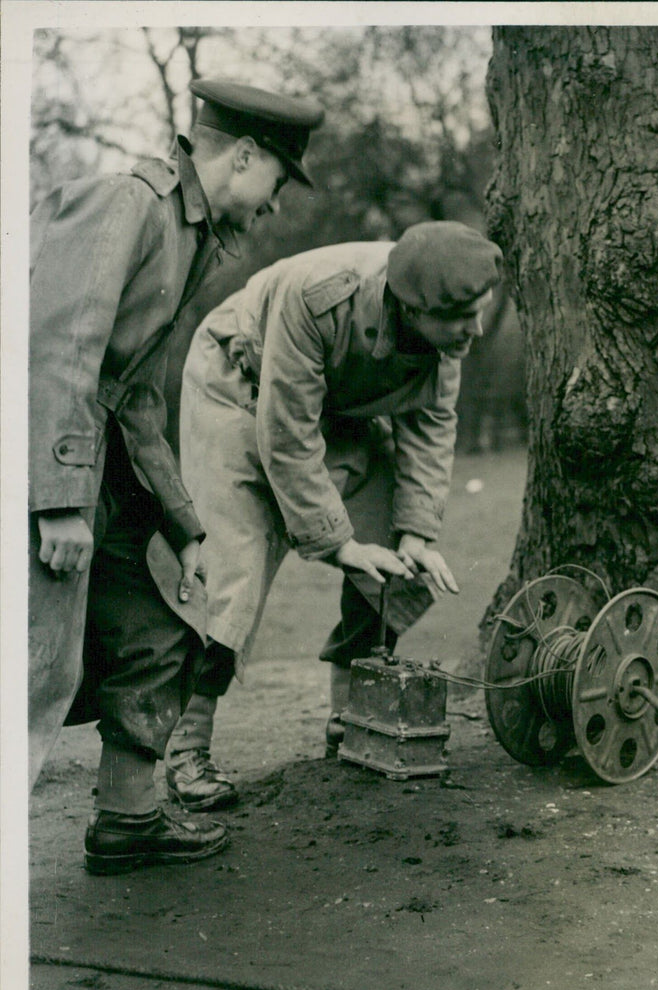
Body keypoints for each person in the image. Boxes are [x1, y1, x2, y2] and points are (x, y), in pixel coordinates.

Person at [28, 78, 324, 874]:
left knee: (159, 625)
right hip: (43, 459)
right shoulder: (127, 204)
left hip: (101, 465)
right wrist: (56, 502)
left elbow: (136, 398)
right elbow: (56, 352)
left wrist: (183, 523)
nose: (274, 207)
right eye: (277, 182)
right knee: (26, 668)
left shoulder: (189, 234)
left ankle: (127, 821)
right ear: (245, 155)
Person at [167, 221, 503, 810]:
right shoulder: (315, 296)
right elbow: (286, 436)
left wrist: (416, 533)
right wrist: (338, 544)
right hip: (237, 386)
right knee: (231, 569)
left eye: (480, 312)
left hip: (331, 407)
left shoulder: (444, 331)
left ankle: (355, 717)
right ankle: (186, 747)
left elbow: (430, 426)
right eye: (460, 318)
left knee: (395, 565)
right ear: (412, 308)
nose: (474, 329)